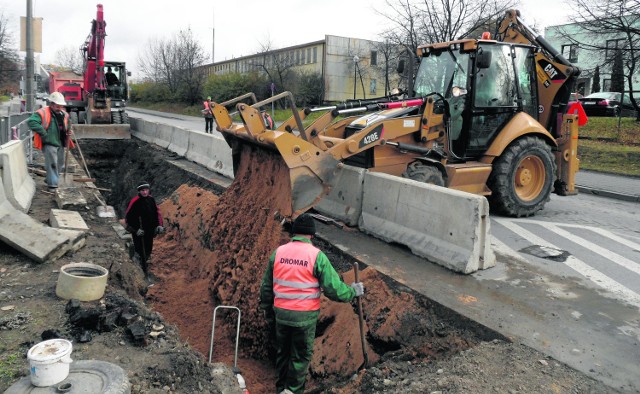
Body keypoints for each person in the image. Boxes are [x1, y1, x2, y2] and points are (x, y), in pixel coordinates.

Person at [259, 213, 364, 394]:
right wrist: (352, 292)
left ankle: (280, 389)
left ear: (293, 233)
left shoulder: (279, 253)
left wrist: (268, 313)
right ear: (312, 235)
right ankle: (293, 391)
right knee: (300, 357)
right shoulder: (316, 256)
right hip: (304, 318)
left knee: (283, 353)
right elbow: (333, 289)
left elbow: (266, 288)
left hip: (281, 315)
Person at [27, 92, 73, 191]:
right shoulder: (43, 112)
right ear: (51, 104)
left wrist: (68, 131)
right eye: (57, 105)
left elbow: (65, 126)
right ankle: (53, 184)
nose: (59, 107)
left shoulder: (64, 114)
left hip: (60, 142)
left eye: (61, 106)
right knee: (52, 163)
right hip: (49, 142)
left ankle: (50, 179)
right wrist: (43, 132)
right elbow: (31, 122)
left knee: (60, 163)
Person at [125, 181, 164, 273]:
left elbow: (157, 213)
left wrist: (159, 225)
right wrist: (136, 229)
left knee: (148, 248)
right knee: (140, 250)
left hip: (150, 230)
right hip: (139, 232)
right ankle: (140, 269)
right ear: (139, 191)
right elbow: (128, 218)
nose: (145, 192)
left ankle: (145, 263)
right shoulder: (134, 202)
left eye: (146, 190)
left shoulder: (151, 200)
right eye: (142, 190)